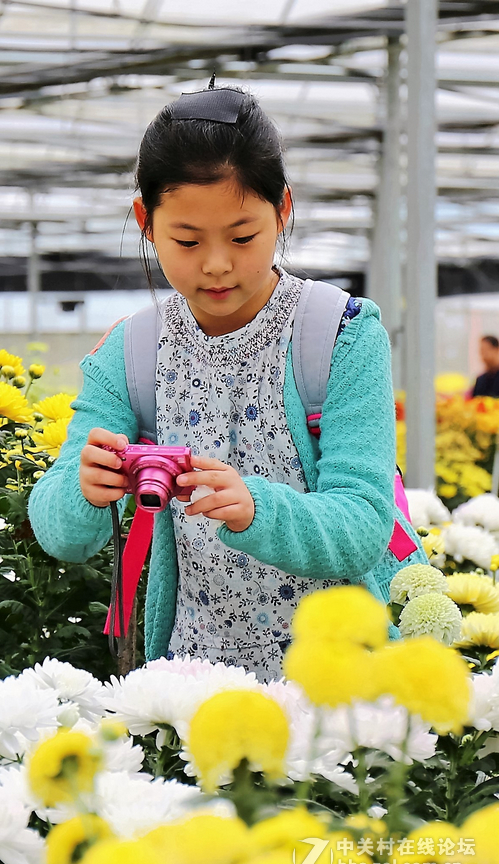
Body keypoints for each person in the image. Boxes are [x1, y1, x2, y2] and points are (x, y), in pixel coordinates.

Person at [28, 84, 426, 681]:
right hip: (197, 686)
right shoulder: (131, 354)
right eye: (186, 241)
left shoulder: (339, 336)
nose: (216, 264)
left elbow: (364, 523)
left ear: (283, 210)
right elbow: (60, 531)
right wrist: (85, 491)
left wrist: (255, 508)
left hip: (345, 690)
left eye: (243, 237)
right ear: (146, 222)